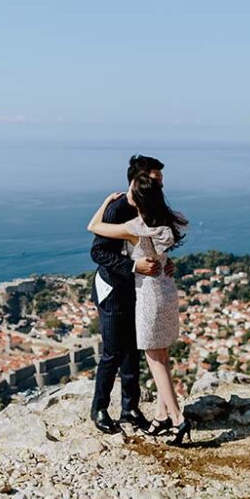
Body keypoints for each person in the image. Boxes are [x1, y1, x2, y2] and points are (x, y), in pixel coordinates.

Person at [87, 156, 192, 445]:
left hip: (143, 290)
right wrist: (135, 267)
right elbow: (98, 252)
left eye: (160, 182)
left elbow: (158, 245)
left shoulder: (152, 210)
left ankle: (130, 407)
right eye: (155, 181)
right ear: (138, 181)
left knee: (135, 350)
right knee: (112, 351)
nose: (160, 186)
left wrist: (165, 263)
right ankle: (99, 409)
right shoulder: (119, 208)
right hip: (114, 287)